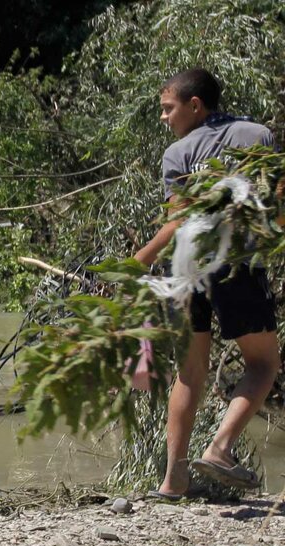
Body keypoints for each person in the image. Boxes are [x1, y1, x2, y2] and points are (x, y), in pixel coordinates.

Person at [133, 68, 279, 499]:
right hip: (234, 264)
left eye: (168, 108)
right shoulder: (258, 135)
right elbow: (271, 203)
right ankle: (220, 447)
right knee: (263, 365)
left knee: (189, 375)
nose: (164, 118)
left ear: (195, 105)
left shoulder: (178, 153)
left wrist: (136, 263)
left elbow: (178, 223)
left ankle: (173, 483)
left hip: (183, 270)